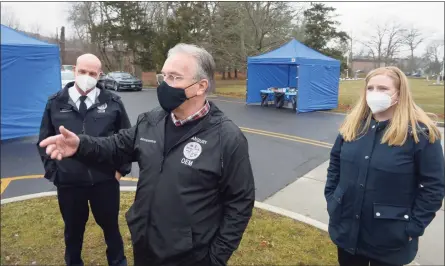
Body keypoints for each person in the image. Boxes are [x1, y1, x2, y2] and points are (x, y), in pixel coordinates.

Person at [39, 43, 255, 266]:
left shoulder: (227, 138)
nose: (164, 85)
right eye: (164, 76)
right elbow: (116, 145)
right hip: (144, 243)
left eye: (174, 77)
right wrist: (80, 144)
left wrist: (215, 258)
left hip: (191, 255)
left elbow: (240, 202)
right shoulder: (151, 120)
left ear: (200, 86)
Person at [325, 66, 444, 266]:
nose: (374, 94)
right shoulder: (352, 127)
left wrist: (413, 227)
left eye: (382, 88)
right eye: (370, 88)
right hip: (347, 230)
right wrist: (332, 201)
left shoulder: (420, 134)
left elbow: (433, 187)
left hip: (390, 237)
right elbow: (335, 166)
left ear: (399, 94)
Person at [37, 54, 131, 266]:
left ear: (99, 75)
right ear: (74, 71)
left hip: (105, 182)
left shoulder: (113, 102)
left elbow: (126, 139)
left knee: (111, 228)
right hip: (69, 183)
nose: (86, 77)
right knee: (73, 230)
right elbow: (44, 141)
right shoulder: (55, 103)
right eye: (82, 71)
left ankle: (118, 262)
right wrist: (56, 174)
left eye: (92, 73)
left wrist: (119, 171)